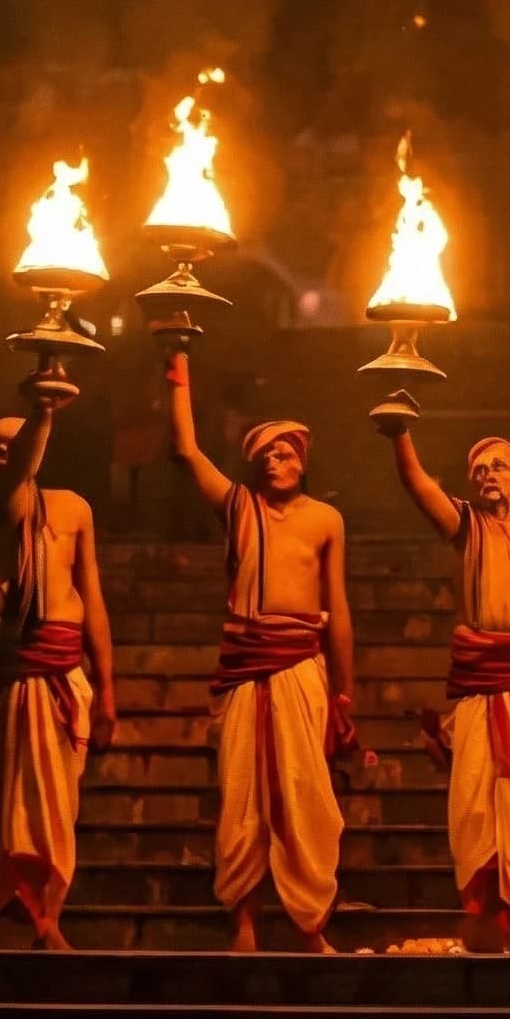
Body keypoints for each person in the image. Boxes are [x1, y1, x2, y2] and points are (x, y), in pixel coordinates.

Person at [164, 351, 353, 953]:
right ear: (255, 467)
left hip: (301, 664)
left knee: (305, 794)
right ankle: (243, 923)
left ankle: (309, 925)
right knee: (242, 796)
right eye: (267, 454)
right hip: (246, 663)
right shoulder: (240, 508)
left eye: (287, 452)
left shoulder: (326, 519)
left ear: (303, 460)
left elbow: (338, 607)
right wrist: (179, 368)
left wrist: (345, 690)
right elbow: (188, 451)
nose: (277, 460)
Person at [381, 420, 510, 953]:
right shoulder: (467, 525)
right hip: (481, 676)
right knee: (477, 803)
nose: (489, 475)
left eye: (499, 466)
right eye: (479, 470)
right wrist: (400, 435)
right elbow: (417, 484)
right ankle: (493, 921)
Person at [0, 398, 116, 951]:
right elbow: (20, 474)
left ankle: (46, 914)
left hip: (64, 668)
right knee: (17, 804)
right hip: (21, 673)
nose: (11, 448)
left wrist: (107, 687)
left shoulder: (73, 508)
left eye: (19, 437)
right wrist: (44, 408)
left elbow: (92, 596)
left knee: (59, 803)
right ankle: (31, 921)